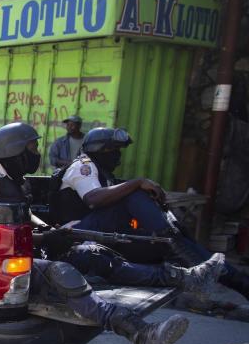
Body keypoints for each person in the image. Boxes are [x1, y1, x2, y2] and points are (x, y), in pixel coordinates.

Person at [0, 122, 224, 344]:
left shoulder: (14, 180)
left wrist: (51, 231)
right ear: (14, 150)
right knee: (61, 274)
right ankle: (141, 334)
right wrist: (44, 238)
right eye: (32, 147)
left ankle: (186, 278)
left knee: (94, 254)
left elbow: (24, 215)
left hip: (28, 247)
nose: (37, 152)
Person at [49, 126, 249, 297]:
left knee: (173, 243)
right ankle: (175, 243)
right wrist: (137, 183)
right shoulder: (83, 167)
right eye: (115, 150)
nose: (118, 155)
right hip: (76, 235)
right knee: (134, 193)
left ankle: (239, 282)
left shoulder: (103, 173)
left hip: (100, 234)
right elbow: (93, 200)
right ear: (102, 150)